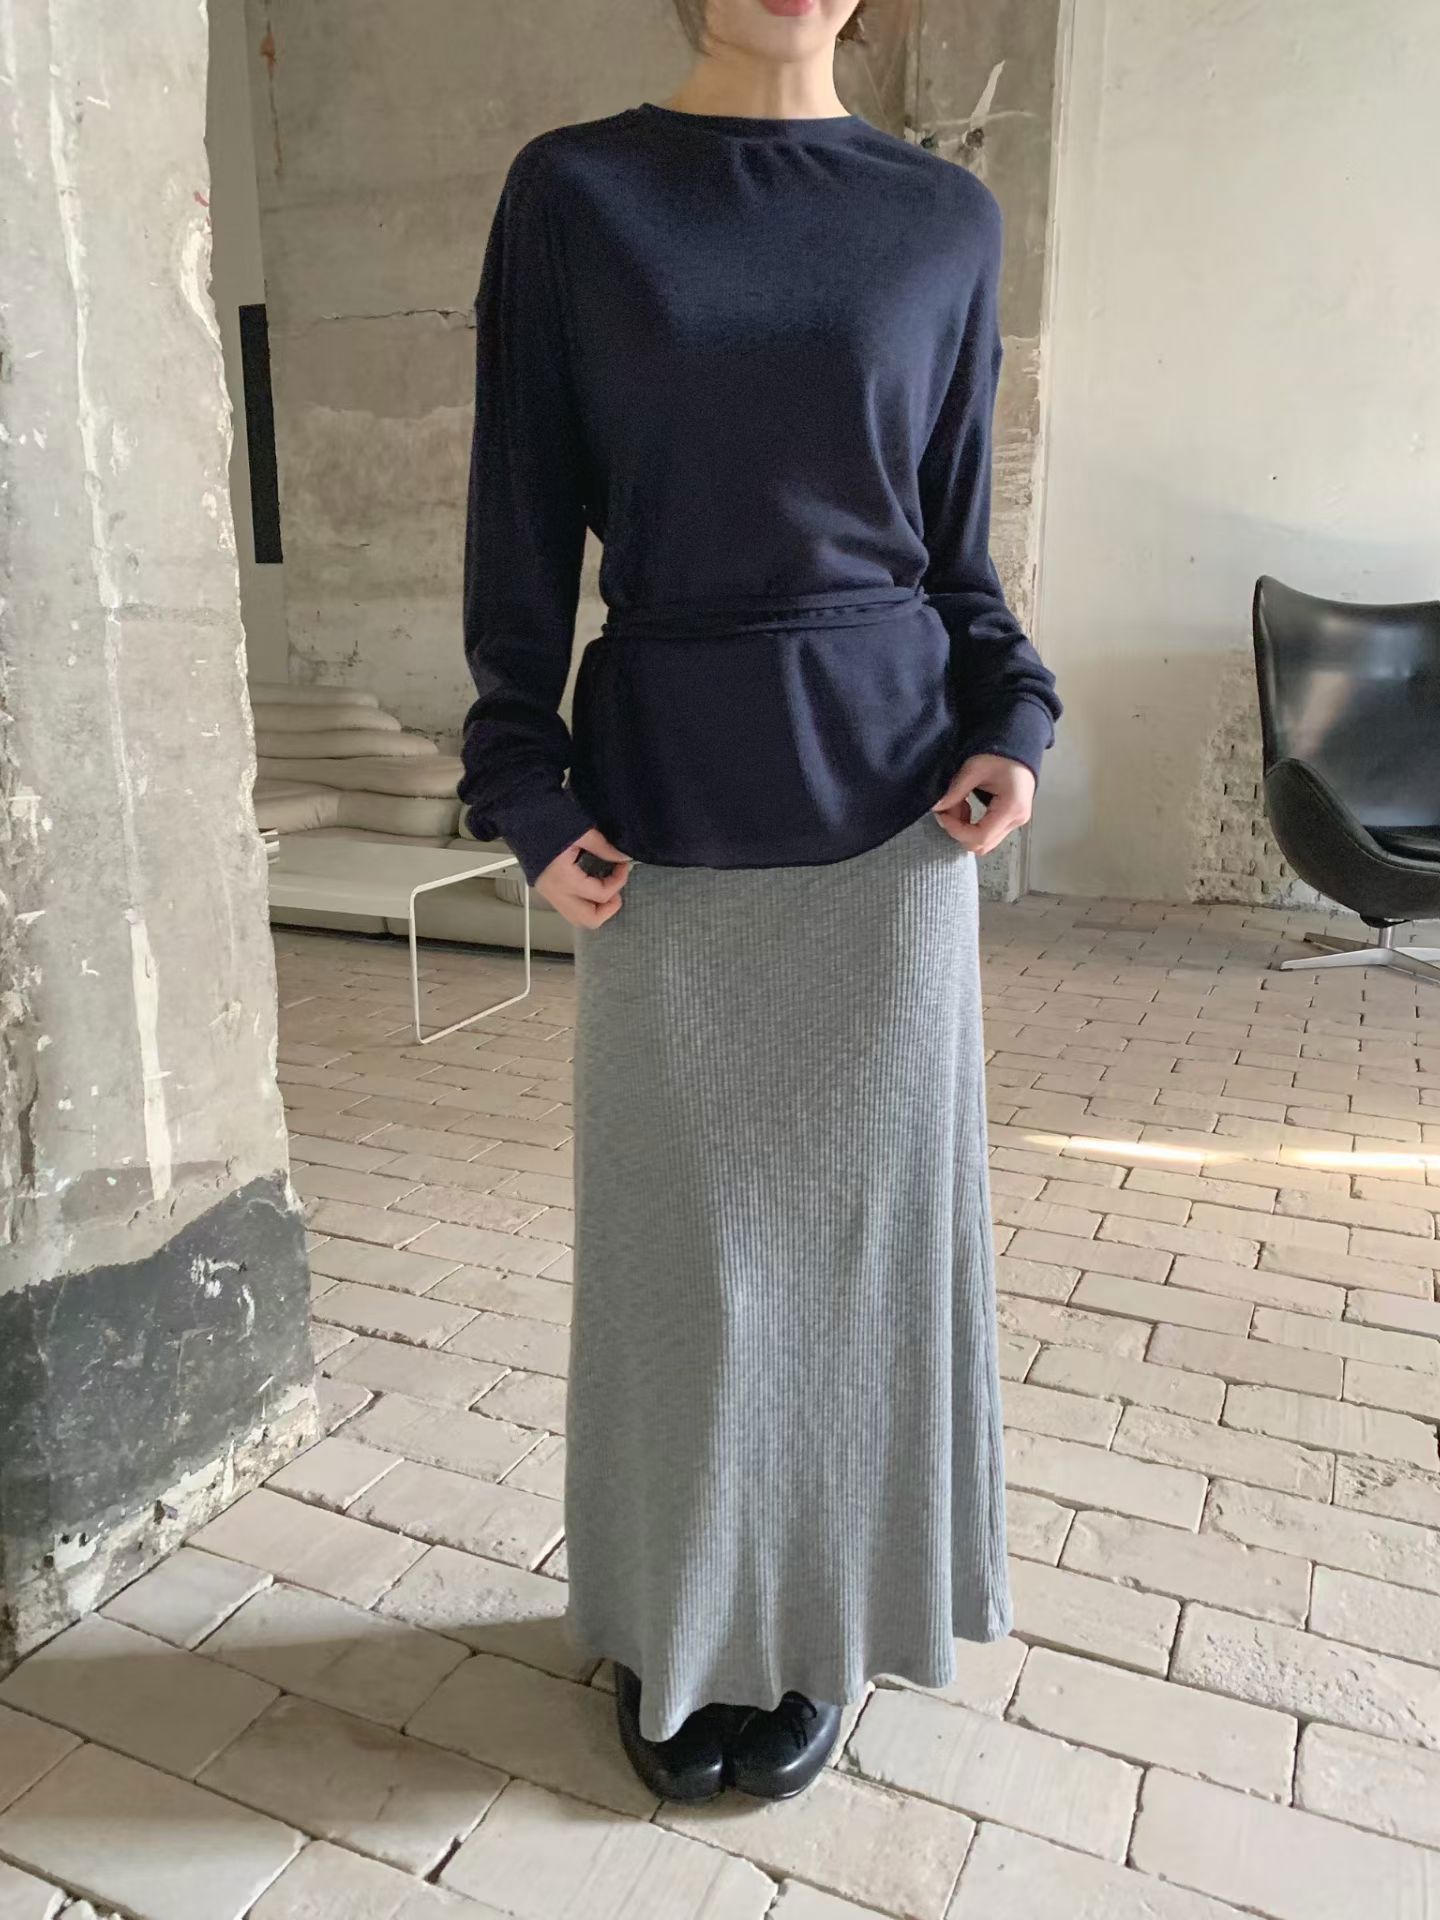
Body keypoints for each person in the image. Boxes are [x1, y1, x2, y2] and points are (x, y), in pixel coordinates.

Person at [457, 0, 1062, 1804]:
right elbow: (519, 513)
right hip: (666, 814)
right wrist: (521, 774)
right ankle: (681, 1616)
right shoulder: (578, 196)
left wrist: (1014, 721)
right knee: (683, 1264)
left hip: (894, 824)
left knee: (861, 1268)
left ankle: (811, 1635)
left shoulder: (942, 218)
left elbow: (954, 546)